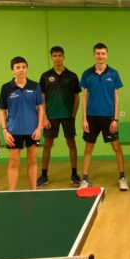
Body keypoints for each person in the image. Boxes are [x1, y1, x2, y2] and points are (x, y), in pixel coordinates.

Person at [79, 43, 128, 191]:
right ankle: (85, 179)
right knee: (88, 147)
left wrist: (116, 119)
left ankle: (122, 177)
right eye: (98, 53)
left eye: (103, 53)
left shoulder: (113, 73)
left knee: (116, 146)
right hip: (91, 117)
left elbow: (116, 97)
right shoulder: (87, 74)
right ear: (94, 55)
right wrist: (84, 119)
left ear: (107, 55)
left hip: (109, 117)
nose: (100, 56)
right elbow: (85, 97)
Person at [0, 56, 45, 190]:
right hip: (14, 131)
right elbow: (2, 110)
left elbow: (41, 108)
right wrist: (4, 130)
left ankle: (33, 190)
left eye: (24, 67)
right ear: (12, 70)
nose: (21, 70)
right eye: (18, 67)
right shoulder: (6, 88)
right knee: (14, 162)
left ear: (27, 69)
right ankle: (12, 192)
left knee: (33, 161)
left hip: (33, 130)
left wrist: (39, 128)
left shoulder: (35, 86)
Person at [38, 46, 81, 188]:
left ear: (63, 57)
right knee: (47, 145)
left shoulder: (72, 76)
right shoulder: (45, 76)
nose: (57, 58)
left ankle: (74, 174)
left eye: (60, 55)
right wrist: (44, 117)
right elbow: (42, 98)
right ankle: (44, 175)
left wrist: (73, 115)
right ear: (51, 57)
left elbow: (77, 97)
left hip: (68, 116)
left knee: (71, 144)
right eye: (55, 56)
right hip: (51, 117)